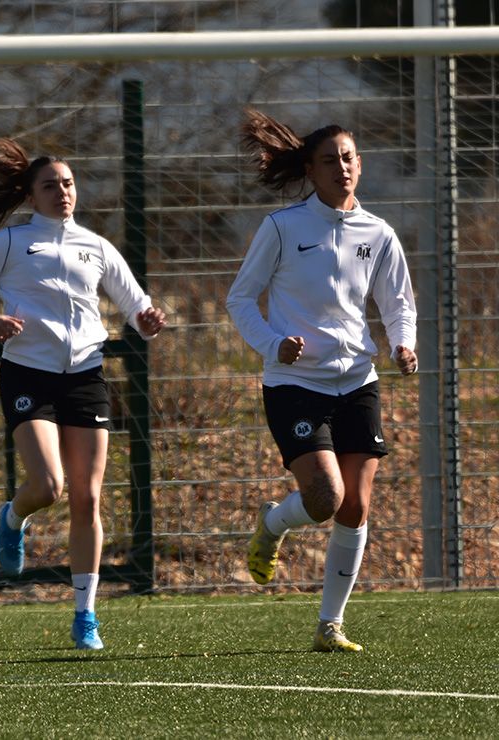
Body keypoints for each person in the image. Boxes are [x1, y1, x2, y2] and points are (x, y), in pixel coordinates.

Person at [0, 138, 166, 651]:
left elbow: (137, 306)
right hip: (29, 374)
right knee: (48, 486)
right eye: (50, 185)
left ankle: (85, 615)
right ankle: (14, 516)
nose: (62, 191)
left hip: (86, 376)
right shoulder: (11, 242)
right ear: (30, 195)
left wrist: (148, 320)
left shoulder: (96, 245)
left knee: (87, 498)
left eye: (67, 183)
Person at [228, 109, 418, 653]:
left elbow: (398, 302)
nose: (343, 166)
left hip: (357, 380)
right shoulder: (283, 227)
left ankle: (329, 626)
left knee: (355, 505)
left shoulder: (377, 232)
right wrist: (272, 344)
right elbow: (241, 297)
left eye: (350, 157)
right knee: (325, 496)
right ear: (310, 170)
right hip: (295, 384)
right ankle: (273, 522)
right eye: (331, 159)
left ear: (360, 164)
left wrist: (404, 342)